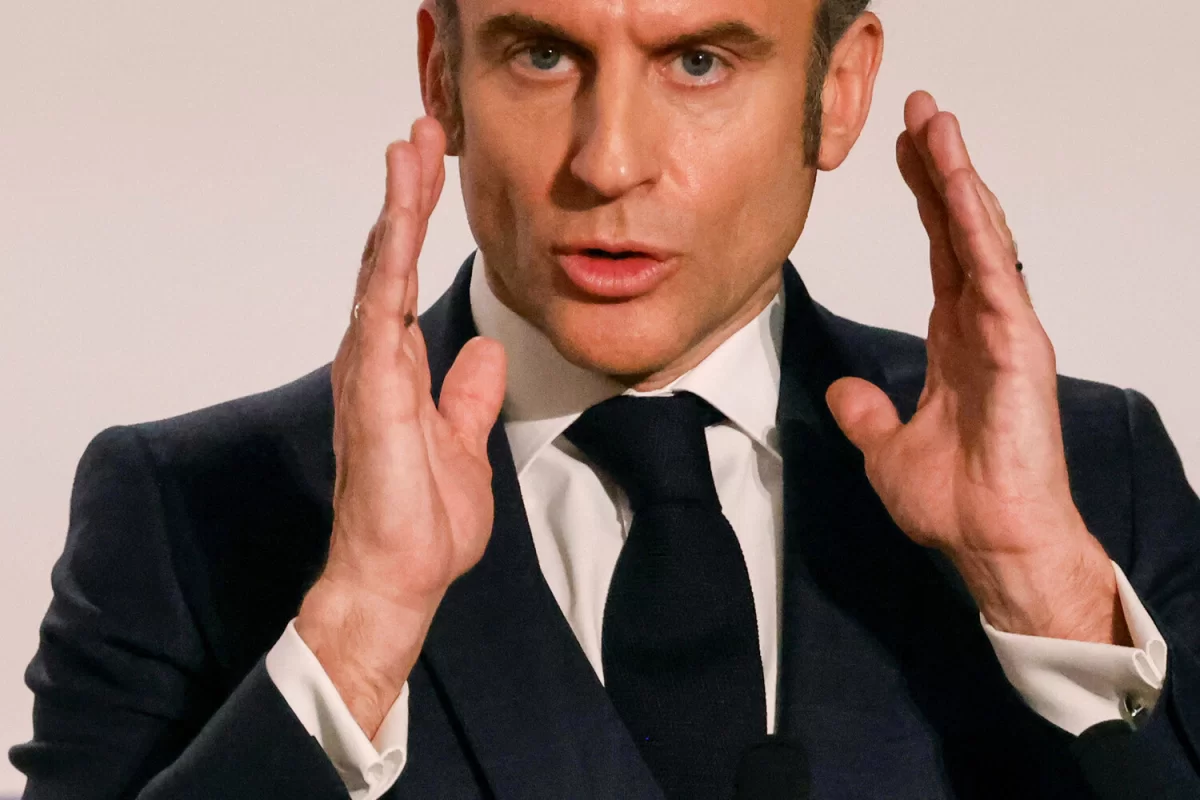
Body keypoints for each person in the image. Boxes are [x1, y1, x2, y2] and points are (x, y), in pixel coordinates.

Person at [12, 0, 1200, 797]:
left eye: (699, 61)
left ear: (837, 92)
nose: (608, 160)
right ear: (443, 76)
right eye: (542, 54)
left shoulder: (1096, 480)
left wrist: (1045, 593)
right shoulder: (189, 510)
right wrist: (357, 631)